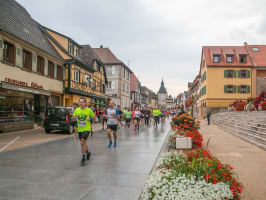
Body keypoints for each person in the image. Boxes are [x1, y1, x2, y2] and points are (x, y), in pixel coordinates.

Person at [72, 98, 95, 166]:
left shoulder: (89, 110)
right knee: (83, 142)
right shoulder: (76, 110)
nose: (81, 103)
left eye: (82, 102)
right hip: (80, 129)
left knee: (82, 142)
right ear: (78, 103)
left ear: (85, 103)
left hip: (87, 128)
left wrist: (90, 118)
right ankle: (87, 152)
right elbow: (73, 118)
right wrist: (74, 117)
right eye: (80, 102)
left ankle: (83, 158)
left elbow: (94, 117)